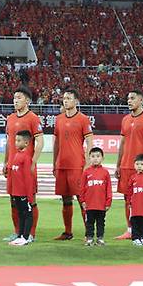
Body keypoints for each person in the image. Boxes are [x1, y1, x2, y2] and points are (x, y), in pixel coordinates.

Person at [115, 90, 143, 242]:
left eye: (133, 98)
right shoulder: (126, 119)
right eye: (128, 98)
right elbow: (122, 143)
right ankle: (130, 230)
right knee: (128, 199)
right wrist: (118, 165)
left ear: (142, 100)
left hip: (141, 166)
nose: (129, 101)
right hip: (126, 165)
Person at [3, 86, 43, 242]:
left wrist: (33, 162)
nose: (15, 100)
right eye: (14, 98)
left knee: (30, 199)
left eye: (19, 97)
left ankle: (30, 233)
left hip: (26, 167)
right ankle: (18, 231)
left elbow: (40, 140)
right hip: (13, 166)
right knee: (14, 199)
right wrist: (6, 161)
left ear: (27, 100)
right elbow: (8, 142)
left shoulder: (33, 118)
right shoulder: (10, 118)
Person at [53, 88, 93, 241]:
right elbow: (56, 143)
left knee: (82, 199)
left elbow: (89, 141)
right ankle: (68, 232)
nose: (65, 100)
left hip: (77, 165)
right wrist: (54, 163)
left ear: (76, 101)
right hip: (62, 165)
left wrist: (88, 163)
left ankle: (88, 232)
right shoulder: (59, 119)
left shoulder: (83, 119)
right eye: (64, 98)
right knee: (65, 200)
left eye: (69, 98)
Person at [79, 147, 112, 247]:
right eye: (93, 156)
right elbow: (82, 188)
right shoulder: (86, 172)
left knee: (101, 222)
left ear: (102, 158)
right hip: (89, 204)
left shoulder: (105, 173)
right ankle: (89, 238)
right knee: (89, 222)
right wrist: (82, 201)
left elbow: (108, 189)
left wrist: (108, 202)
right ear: (89, 158)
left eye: (98, 156)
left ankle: (100, 238)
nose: (95, 158)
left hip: (101, 204)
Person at [8, 130, 35, 247]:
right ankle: (20, 236)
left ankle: (25, 236)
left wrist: (29, 195)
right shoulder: (16, 155)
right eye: (15, 140)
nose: (16, 142)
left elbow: (28, 178)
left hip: (24, 192)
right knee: (20, 214)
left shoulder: (26, 157)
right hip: (16, 192)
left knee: (27, 214)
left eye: (19, 140)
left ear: (26, 143)